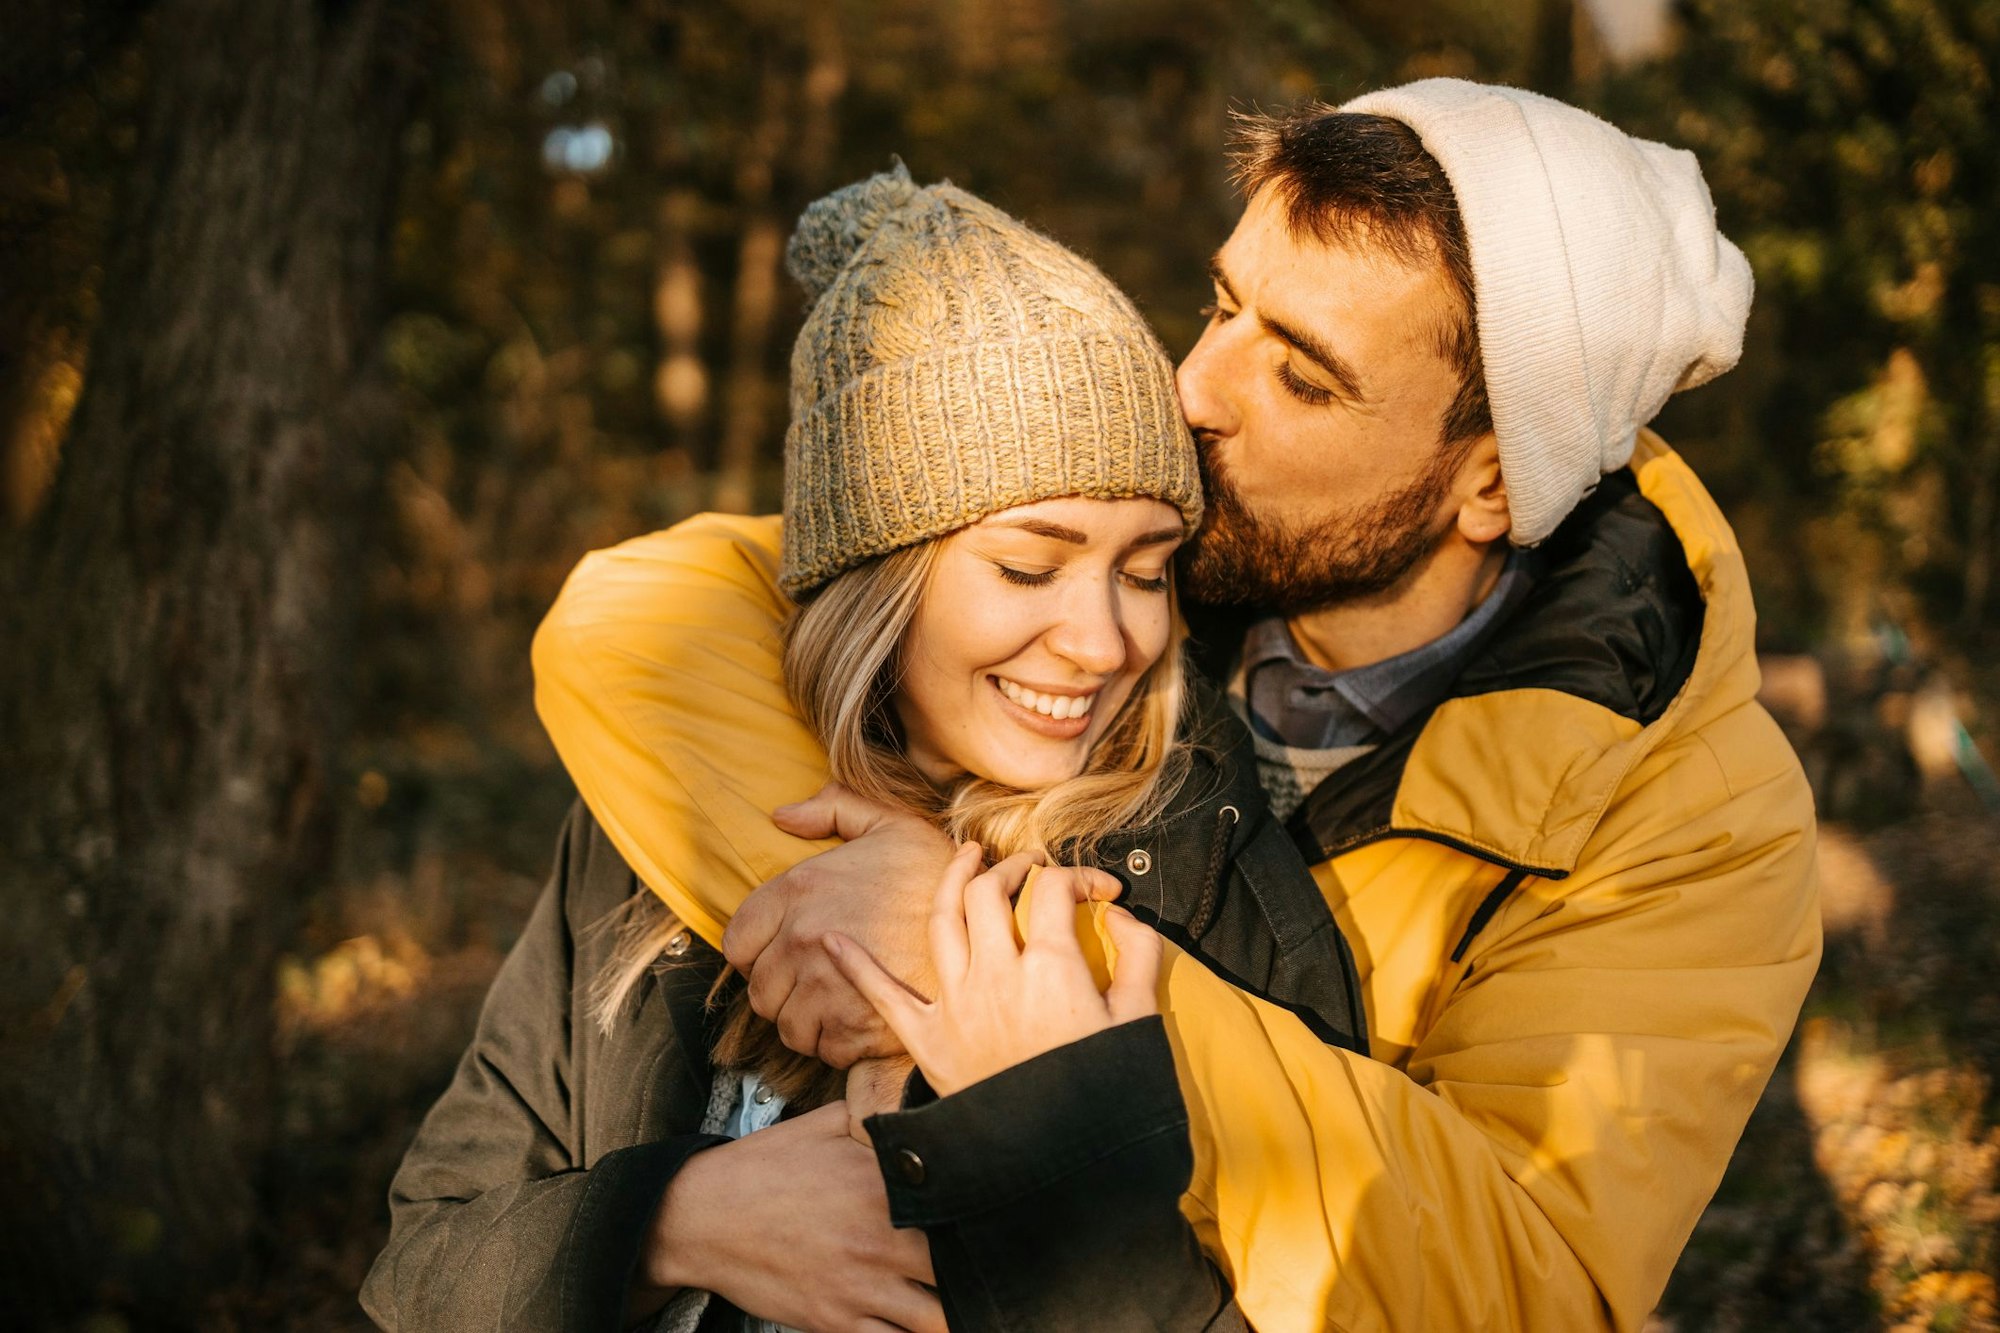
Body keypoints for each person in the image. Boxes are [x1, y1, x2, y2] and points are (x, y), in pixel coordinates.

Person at [531, 80, 1823, 1330]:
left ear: (1493, 486)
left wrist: (977, 959)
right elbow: (638, 620)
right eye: (1222, 308)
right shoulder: (1125, 578)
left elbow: (1525, 1279)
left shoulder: (1699, 820)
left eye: (1303, 379)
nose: (1195, 389)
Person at [361, 169, 1364, 1333]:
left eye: (1144, 571)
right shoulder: (658, 826)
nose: (1102, 641)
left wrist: (1053, 1135)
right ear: (874, 580)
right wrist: (678, 1219)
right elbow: (421, 1264)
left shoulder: (1211, 889)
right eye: (1028, 567)